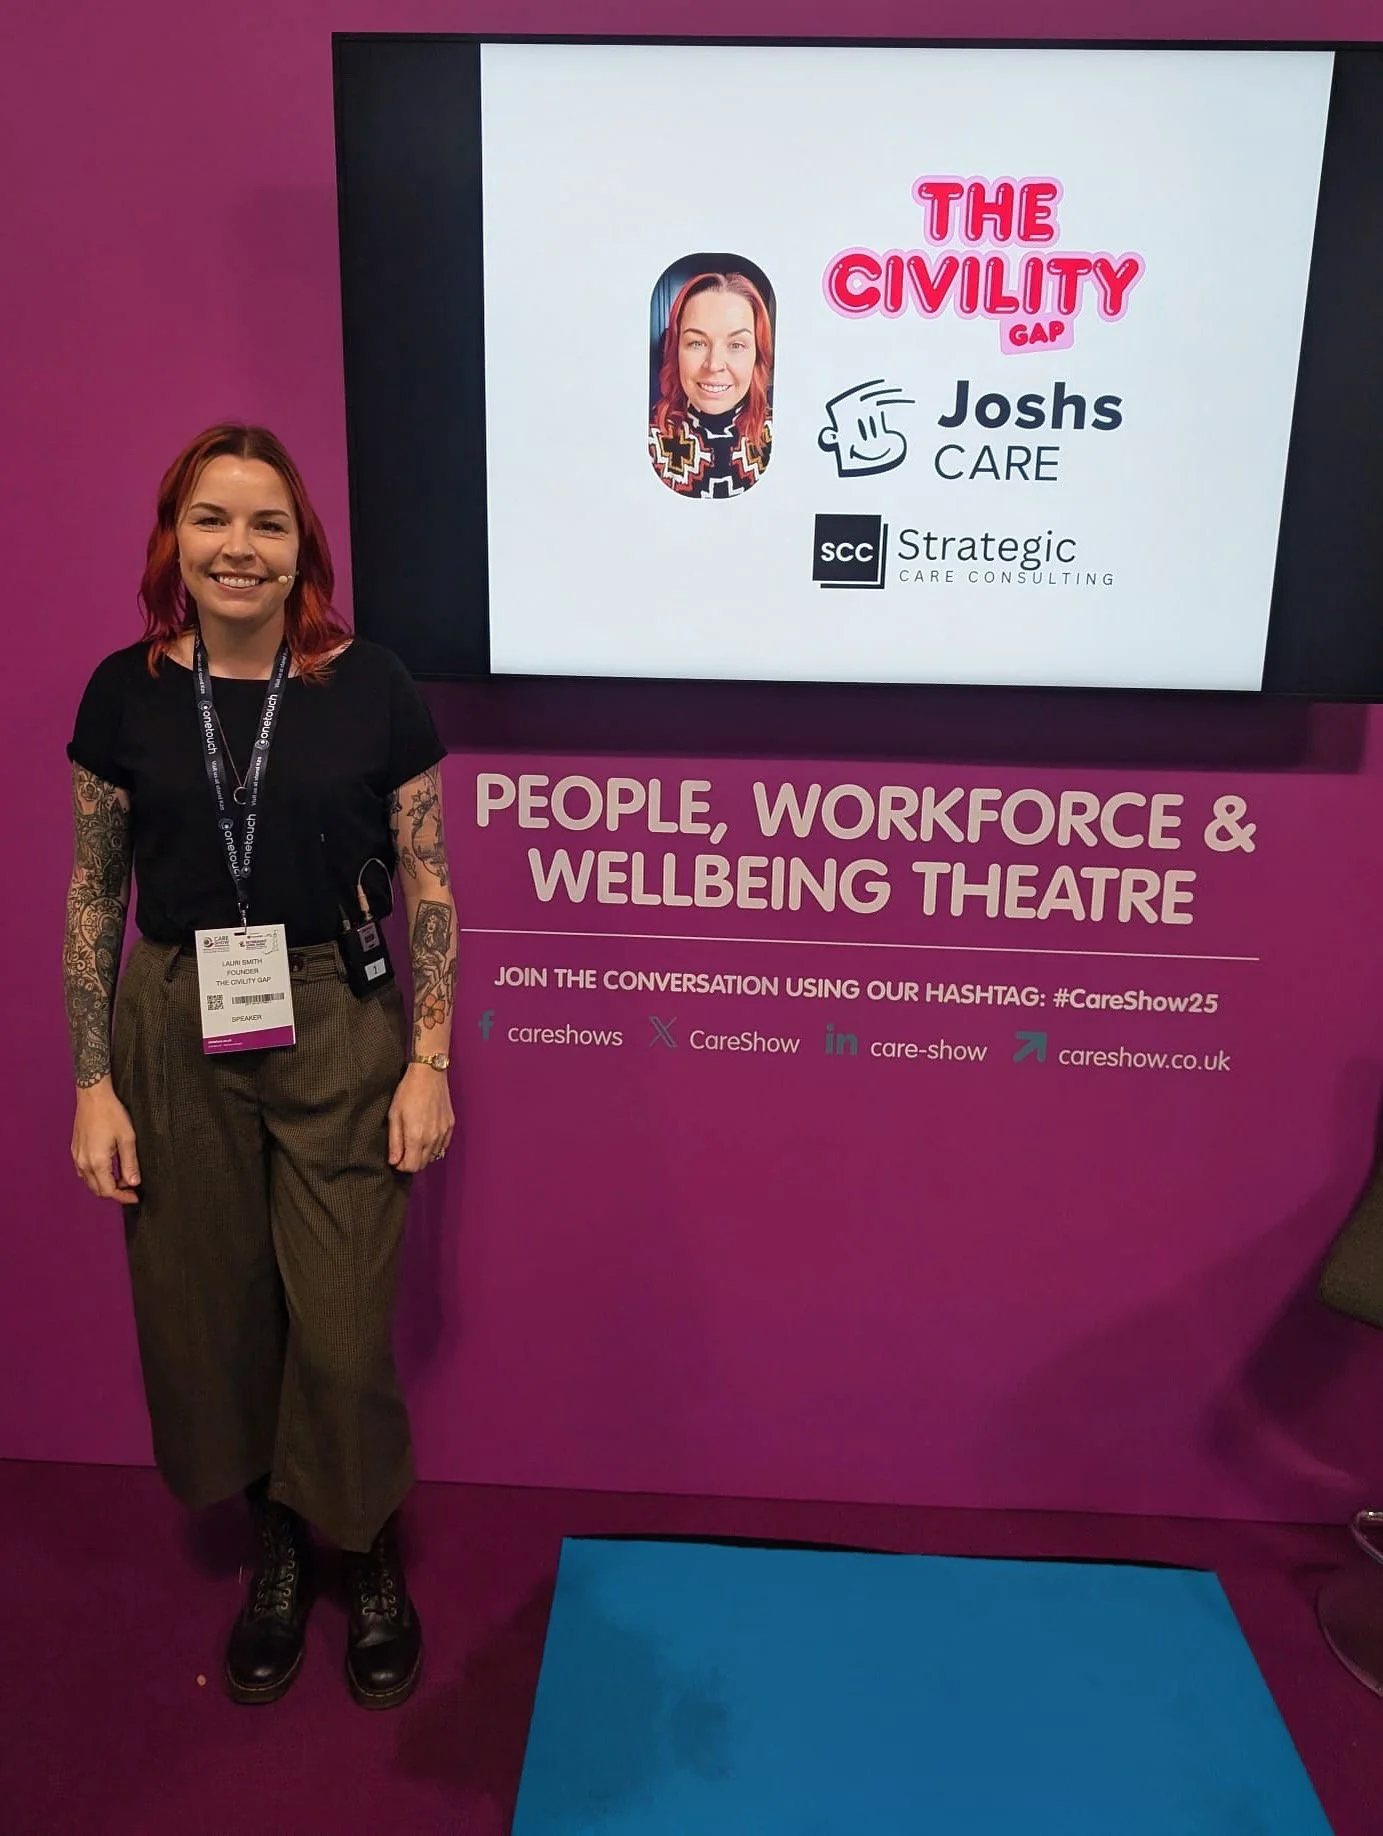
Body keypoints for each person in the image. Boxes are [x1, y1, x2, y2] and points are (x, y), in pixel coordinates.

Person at [64, 424, 456, 1710]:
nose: (240, 548)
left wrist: (430, 1058)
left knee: (340, 1327)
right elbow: (93, 894)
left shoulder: (373, 685)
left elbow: (428, 881)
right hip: (177, 1013)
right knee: (210, 1315)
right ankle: (276, 1543)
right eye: (213, 519)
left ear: (304, 549)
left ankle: (366, 1539)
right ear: (174, 539)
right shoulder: (123, 693)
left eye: (269, 524)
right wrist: (92, 1084)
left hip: (339, 1007)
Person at [649, 270, 774, 498]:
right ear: (676, 350)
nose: (714, 364)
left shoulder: (788, 434)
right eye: (697, 343)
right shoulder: (642, 436)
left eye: (736, 345)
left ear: (758, 355)